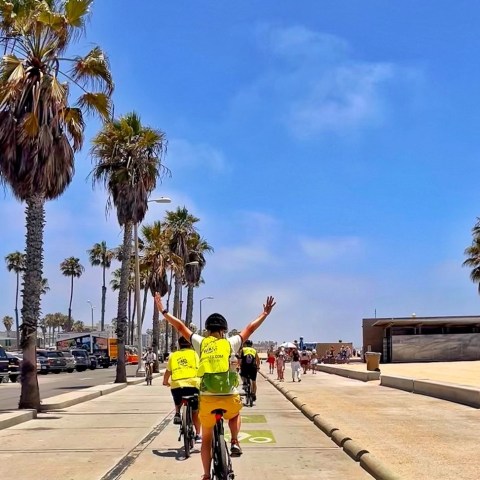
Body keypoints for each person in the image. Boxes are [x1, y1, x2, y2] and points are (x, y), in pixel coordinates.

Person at [155, 292, 276, 480]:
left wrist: (163, 311)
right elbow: (250, 329)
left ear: (208, 330)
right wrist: (265, 314)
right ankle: (235, 440)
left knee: (207, 438)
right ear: (223, 331)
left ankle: (205, 474)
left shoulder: (200, 343)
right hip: (228, 397)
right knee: (235, 414)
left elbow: (180, 326)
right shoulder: (230, 343)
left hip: (207, 398)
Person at [162, 337, 201, 442]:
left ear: (179, 345)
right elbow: (201, 369)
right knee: (195, 412)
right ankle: (198, 435)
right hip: (193, 385)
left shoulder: (173, 356)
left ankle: (178, 412)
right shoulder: (195, 354)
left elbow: (168, 372)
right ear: (190, 345)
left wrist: (165, 382)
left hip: (177, 385)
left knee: (177, 399)